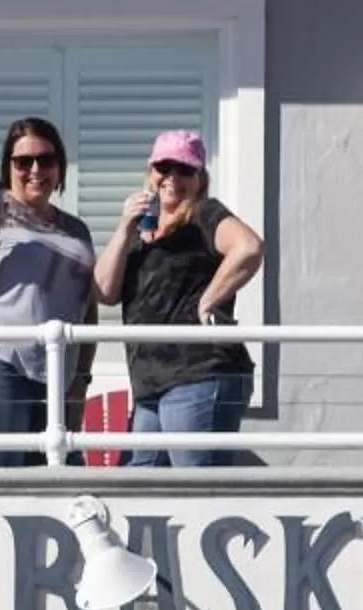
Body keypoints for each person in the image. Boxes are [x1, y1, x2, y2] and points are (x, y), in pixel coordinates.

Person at [93, 127, 264, 467]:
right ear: (150, 173)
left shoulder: (204, 215)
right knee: (140, 494)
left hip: (199, 373)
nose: (172, 177)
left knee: (194, 494)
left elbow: (249, 247)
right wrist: (125, 226)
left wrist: (209, 299)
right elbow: (104, 292)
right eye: (164, 167)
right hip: (151, 386)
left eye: (185, 169)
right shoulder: (141, 234)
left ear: (200, 178)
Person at [0, 115, 97, 468]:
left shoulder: (77, 230)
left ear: (60, 168)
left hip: (51, 375)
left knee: (53, 488)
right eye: (23, 162)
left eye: (47, 160)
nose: (35, 169)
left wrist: (80, 379)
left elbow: (87, 306)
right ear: (8, 168)